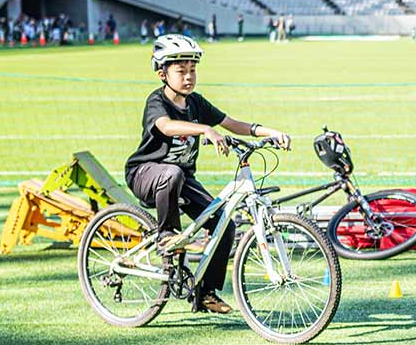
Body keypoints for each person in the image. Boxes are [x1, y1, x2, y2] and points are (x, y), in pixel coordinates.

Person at [123, 35, 291, 315]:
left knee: (225, 224)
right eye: (181, 71)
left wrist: (269, 132)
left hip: (181, 181)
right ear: (162, 73)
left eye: (192, 70)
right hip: (145, 174)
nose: (189, 77)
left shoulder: (196, 103)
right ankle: (167, 235)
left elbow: (232, 123)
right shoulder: (157, 101)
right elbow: (165, 126)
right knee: (172, 173)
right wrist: (203, 130)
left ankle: (205, 294)